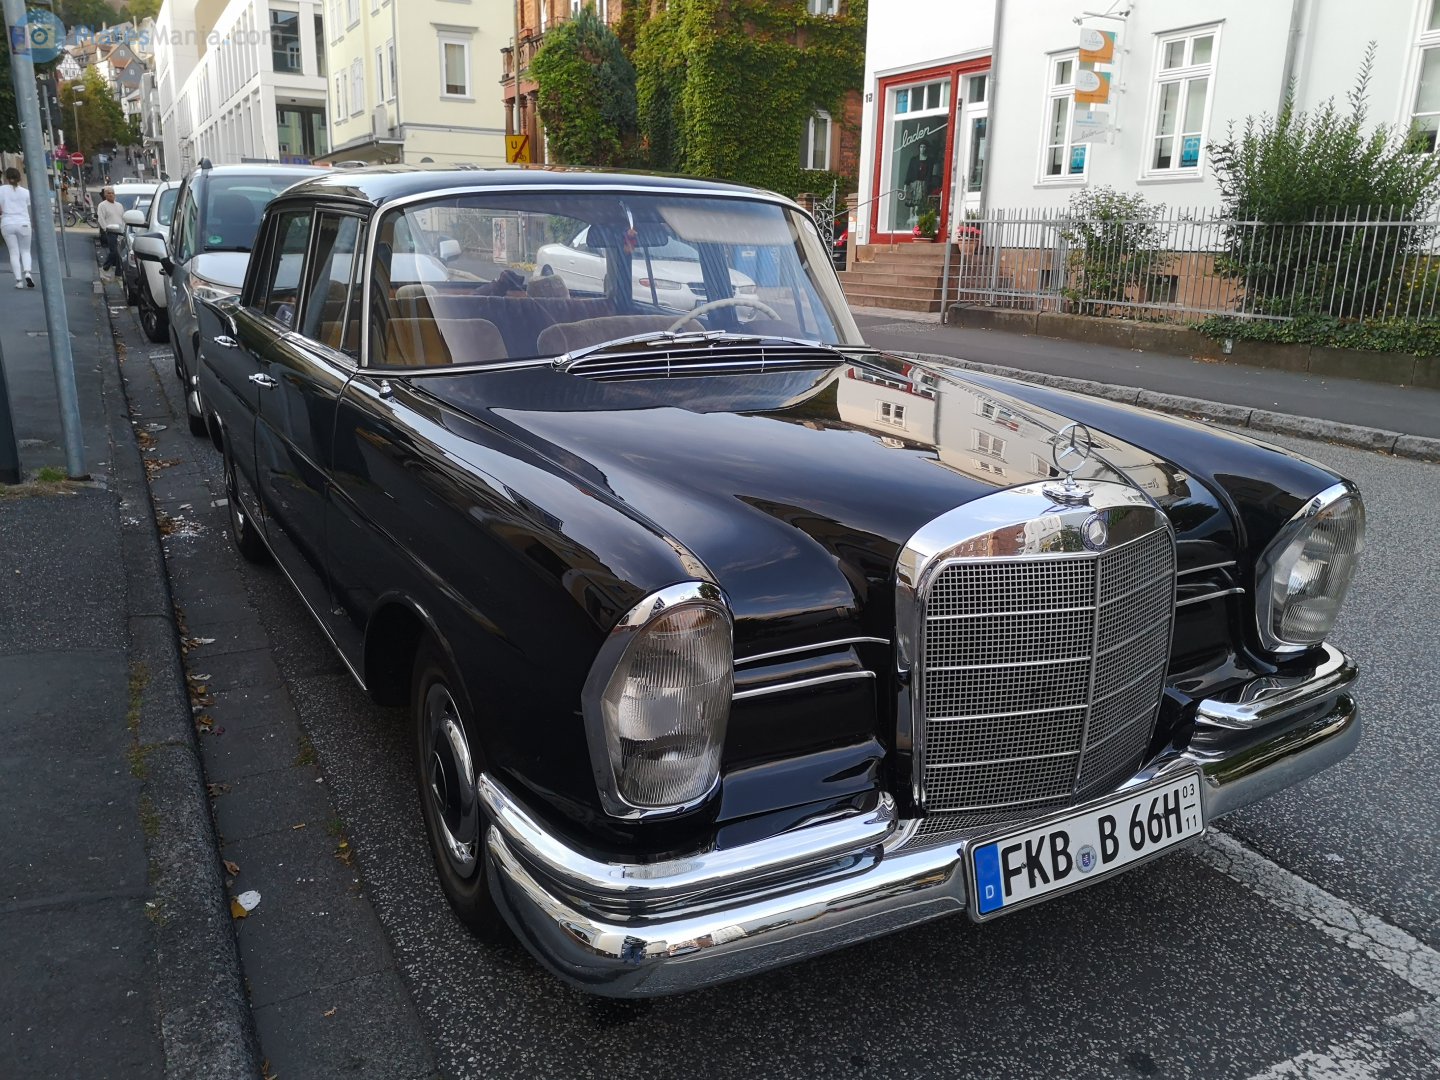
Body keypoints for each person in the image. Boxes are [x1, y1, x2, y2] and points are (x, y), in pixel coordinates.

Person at [0, 167, 35, 289]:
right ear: (19, 178)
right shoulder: (26, 192)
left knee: (13, 253)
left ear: (6, 177)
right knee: (25, 251)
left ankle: (19, 281)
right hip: (24, 223)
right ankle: (28, 272)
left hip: (7, 223)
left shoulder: (1, 190)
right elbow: (30, 208)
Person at [96, 185, 125, 282]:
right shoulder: (102, 205)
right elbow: (101, 218)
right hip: (110, 231)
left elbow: (122, 218)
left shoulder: (119, 205)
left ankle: (118, 272)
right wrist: (105, 229)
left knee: (120, 253)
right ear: (105, 195)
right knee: (114, 251)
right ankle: (106, 266)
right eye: (108, 193)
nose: (111, 195)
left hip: (120, 231)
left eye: (112, 193)